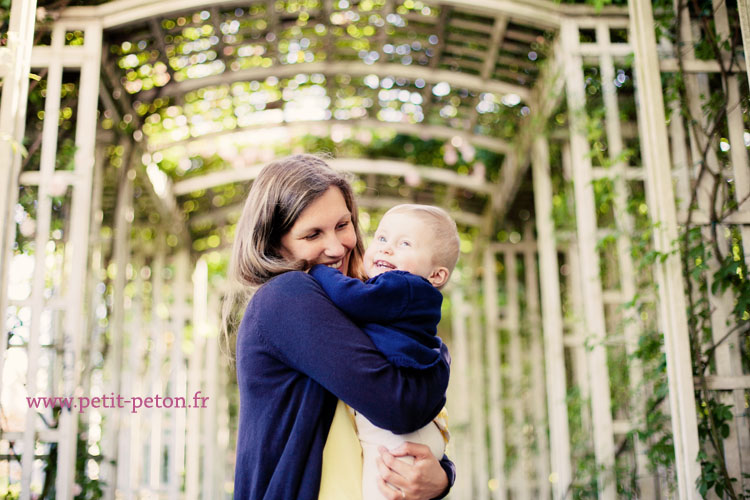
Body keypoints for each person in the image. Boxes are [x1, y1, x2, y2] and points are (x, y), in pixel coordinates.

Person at [224, 154, 455, 500]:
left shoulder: (357, 300)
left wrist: (440, 476)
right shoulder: (287, 296)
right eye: (313, 234)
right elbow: (401, 404)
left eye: (343, 225)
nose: (336, 247)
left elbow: (401, 408)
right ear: (274, 244)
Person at [308, 204, 459, 500]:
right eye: (381, 239)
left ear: (436, 274)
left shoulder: (405, 287)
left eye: (404, 243)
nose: (387, 249)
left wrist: (318, 273)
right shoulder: (404, 297)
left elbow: (352, 298)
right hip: (418, 431)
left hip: (398, 435)